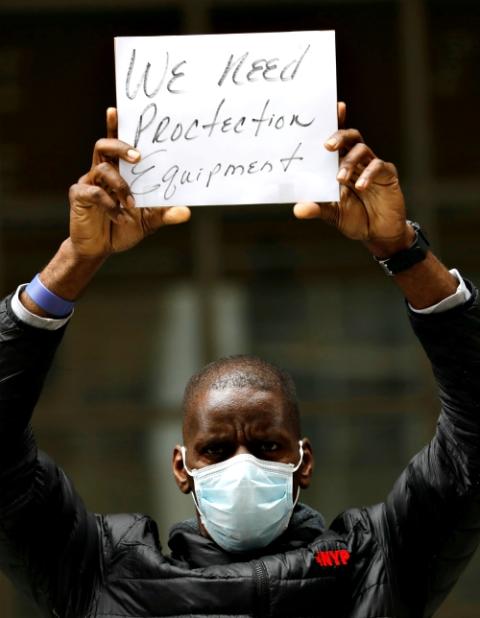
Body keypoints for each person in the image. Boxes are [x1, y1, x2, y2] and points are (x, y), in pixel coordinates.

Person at [0, 103, 479, 618]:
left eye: (268, 445)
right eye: (217, 449)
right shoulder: (103, 574)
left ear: (304, 460)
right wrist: (77, 257)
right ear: (181, 468)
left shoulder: (377, 563)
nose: (243, 465)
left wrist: (401, 248)